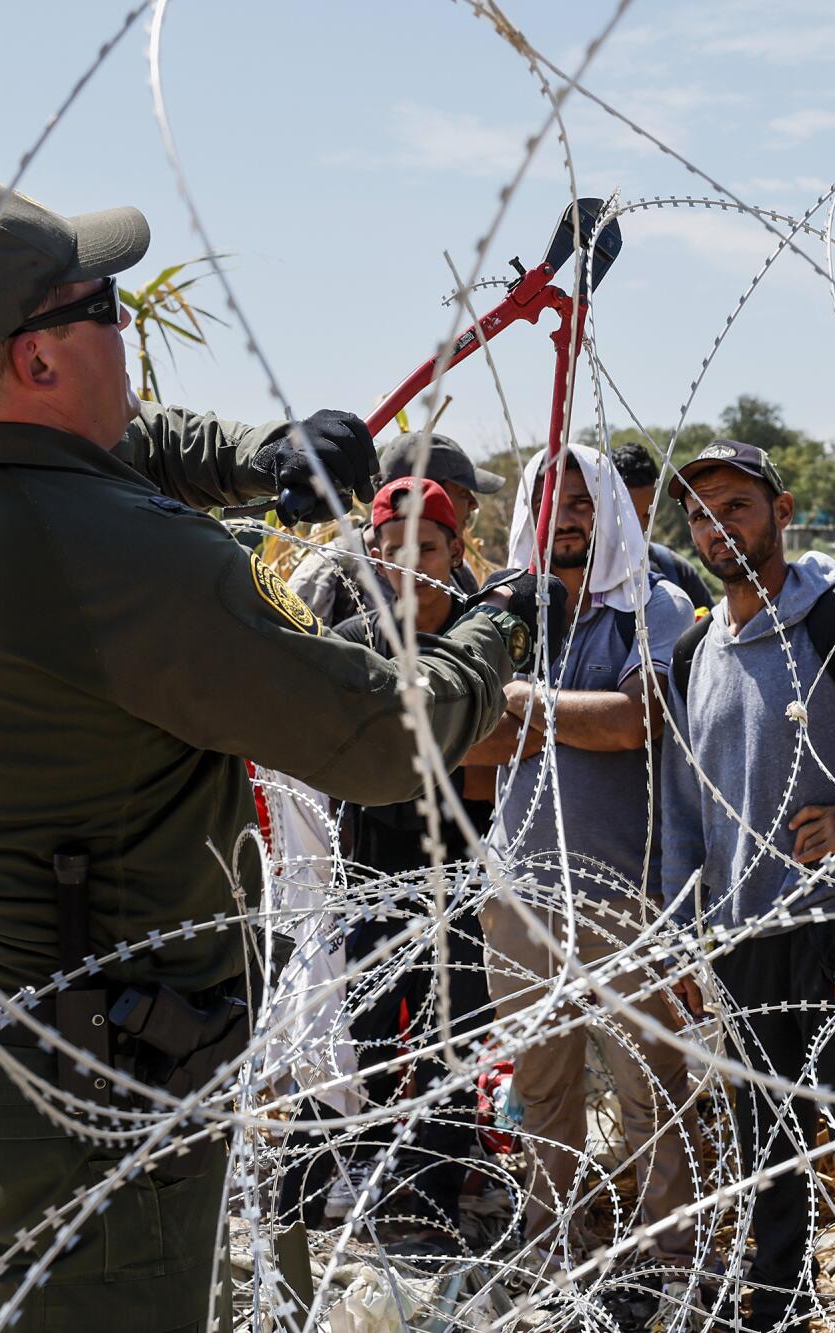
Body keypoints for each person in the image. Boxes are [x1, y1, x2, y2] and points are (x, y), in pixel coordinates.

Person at [0, 182, 541, 1331]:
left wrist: (262, 458)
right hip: (85, 1094)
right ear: (34, 360)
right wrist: (495, 621)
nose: (128, 332)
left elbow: (108, 447)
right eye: (106, 307)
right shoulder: (132, 564)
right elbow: (378, 741)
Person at [658, 439, 835, 1333]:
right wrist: (679, 933)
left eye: (736, 505)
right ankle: (774, 1312)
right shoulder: (697, 649)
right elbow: (684, 809)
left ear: (782, 512)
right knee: (766, 1156)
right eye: (701, 513)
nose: (716, 527)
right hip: (741, 944)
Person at [465, 445, 700, 1279]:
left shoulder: (653, 606)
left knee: (651, 1086)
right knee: (543, 1081)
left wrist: (527, 703)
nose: (564, 517)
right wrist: (561, 716)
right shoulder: (504, 609)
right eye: (548, 500)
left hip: (620, 886)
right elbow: (473, 736)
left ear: (611, 511)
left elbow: (638, 721)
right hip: (519, 886)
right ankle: (550, 1247)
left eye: (582, 501)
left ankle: (679, 1257)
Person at [325, 475, 495, 1244]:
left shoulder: (480, 637)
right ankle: (364, 1163)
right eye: (395, 550)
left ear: (457, 549)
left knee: (449, 1038)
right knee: (366, 1023)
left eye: (428, 547)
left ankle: (434, 1196)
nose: (411, 564)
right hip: (371, 865)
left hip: (461, 870)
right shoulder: (356, 641)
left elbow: (494, 755)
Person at [287, 431, 505, 625]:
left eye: (428, 549)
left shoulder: (457, 570)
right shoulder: (329, 574)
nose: (473, 504)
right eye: (463, 491)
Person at [611, 439, 716, 612]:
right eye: (627, 516)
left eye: (647, 515)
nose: (638, 526)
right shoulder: (576, 574)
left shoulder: (676, 570)